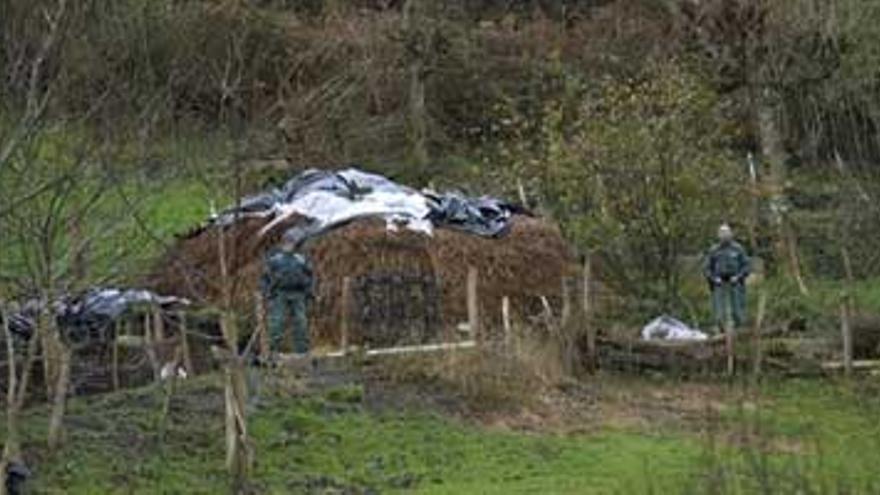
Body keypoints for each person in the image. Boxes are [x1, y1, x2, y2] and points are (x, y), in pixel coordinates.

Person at [260, 234, 314, 356]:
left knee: (301, 322)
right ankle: (274, 351)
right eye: (286, 242)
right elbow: (265, 277)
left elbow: (310, 275)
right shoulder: (275, 260)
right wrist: (267, 292)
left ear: (295, 245)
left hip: (298, 294)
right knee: (277, 322)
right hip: (280, 293)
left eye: (291, 242)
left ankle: (302, 351)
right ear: (282, 244)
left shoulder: (301, 259)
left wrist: (309, 291)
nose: (289, 245)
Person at [704, 224, 750, 332]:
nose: (724, 235)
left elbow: (747, 266)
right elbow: (706, 268)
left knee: (738, 308)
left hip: (735, 280)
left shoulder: (738, 248)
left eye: (726, 233)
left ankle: (740, 328)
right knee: (719, 310)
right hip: (719, 281)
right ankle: (719, 328)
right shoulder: (713, 250)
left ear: (731, 234)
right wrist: (713, 278)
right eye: (722, 233)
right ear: (718, 235)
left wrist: (739, 277)